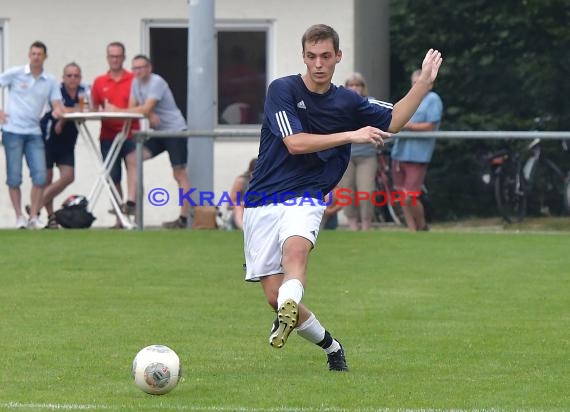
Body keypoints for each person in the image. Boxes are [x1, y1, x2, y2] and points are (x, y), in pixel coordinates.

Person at [242, 24, 442, 371]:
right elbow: (296, 142)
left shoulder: (348, 101)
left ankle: (289, 308)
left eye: (325, 56)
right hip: (262, 199)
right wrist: (351, 134)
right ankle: (332, 347)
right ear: (303, 57)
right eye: (312, 56)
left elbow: (393, 119)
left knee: (295, 255)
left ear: (338, 56)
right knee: (275, 296)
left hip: (306, 196)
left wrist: (422, 84)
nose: (318, 63)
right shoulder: (282, 90)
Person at [0, 41, 64, 229]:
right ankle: (19, 216)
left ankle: (34, 215)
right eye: (33, 53)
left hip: (34, 132)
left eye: (39, 54)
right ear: (29, 55)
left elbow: (57, 105)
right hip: (12, 130)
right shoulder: (16, 73)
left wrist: (59, 113)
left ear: (45, 57)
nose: (36, 57)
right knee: (14, 177)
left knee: (40, 176)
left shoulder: (50, 80)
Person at [125, 54, 191, 229]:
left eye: (141, 67)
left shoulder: (157, 82)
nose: (137, 71)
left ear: (149, 68)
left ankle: (184, 218)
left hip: (175, 130)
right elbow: (134, 109)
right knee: (132, 158)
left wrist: (147, 110)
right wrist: (148, 112)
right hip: (159, 132)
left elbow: (144, 107)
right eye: (135, 68)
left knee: (179, 173)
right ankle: (131, 202)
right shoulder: (135, 83)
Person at [90, 41, 139, 228]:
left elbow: (138, 106)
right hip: (108, 134)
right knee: (112, 176)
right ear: (107, 58)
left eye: (118, 56)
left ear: (124, 58)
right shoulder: (99, 82)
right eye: (112, 56)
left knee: (133, 165)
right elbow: (94, 106)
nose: (115, 59)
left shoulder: (133, 79)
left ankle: (131, 204)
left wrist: (119, 109)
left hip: (131, 132)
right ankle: (120, 217)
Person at [391, 68, 443, 231]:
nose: (417, 85)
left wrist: (408, 125)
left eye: (420, 82)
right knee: (401, 195)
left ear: (430, 84)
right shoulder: (409, 98)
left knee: (409, 196)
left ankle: (422, 225)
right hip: (399, 153)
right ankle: (412, 229)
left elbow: (431, 126)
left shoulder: (433, 99)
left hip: (418, 154)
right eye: (414, 83)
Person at [39, 62, 87, 229]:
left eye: (76, 75)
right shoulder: (56, 91)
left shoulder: (83, 91)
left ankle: (35, 206)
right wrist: (66, 115)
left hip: (67, 141)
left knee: (68, 176)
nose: (73, 79)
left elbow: (87, 109)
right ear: (63, 77)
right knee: (47, 178)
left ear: (80, 77)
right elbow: (59, 110)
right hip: (48, 138)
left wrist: (67, 115)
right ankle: (51, 218)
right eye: (69, 75)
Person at [340, 72, 379, 231]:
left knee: (366, 192)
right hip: (345, 155)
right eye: (351, 85)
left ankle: (366, 226)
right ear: (346, 87)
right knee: (346, 192)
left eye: (358, 85)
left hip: (367, 155)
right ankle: (353, 227)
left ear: (363, 87)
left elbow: (380, 121)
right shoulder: (339, 103)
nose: (354, 88)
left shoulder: (371, 103)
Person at [227, 157, 257, 230]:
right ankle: (242, 229)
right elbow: (230, 203)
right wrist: (242, 203)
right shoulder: (242, 181)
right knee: (238, 207)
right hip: (243, 210)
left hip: (257, 209)